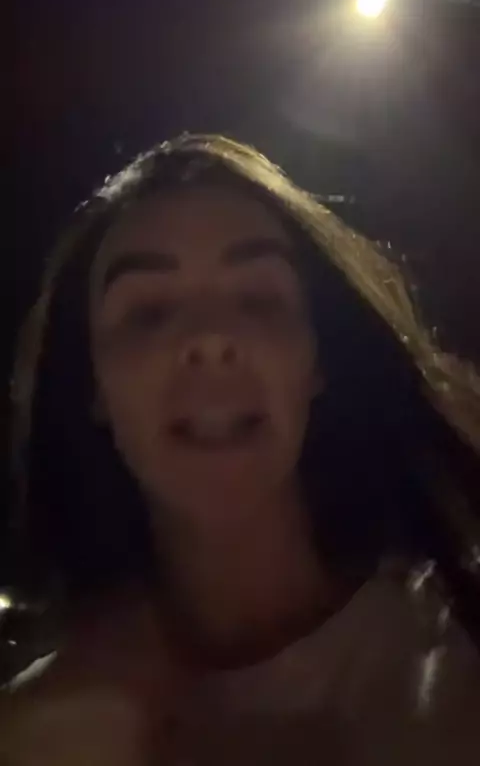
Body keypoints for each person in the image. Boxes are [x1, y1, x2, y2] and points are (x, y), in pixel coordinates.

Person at [2, 133, 480, 764]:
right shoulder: (36, 737)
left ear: (317, 362)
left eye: (257, 299)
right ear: (94, 388)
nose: (209, 337)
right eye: (148, 312)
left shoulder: (460, 650)